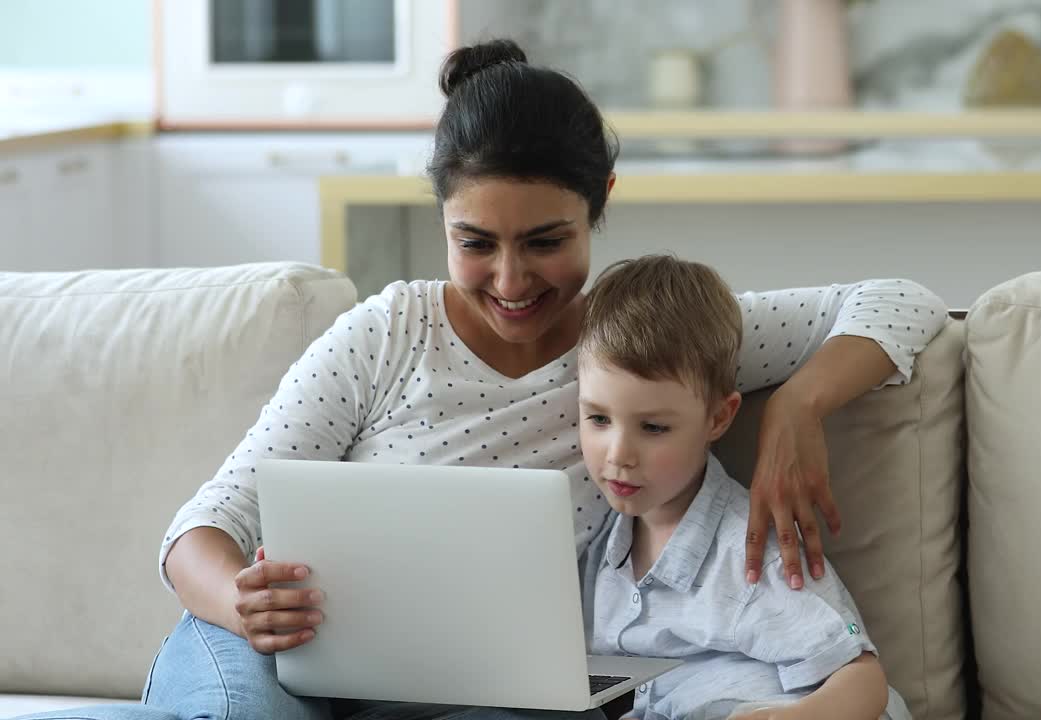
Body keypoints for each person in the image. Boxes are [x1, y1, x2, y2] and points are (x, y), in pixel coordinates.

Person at [15, 39, 946, 720]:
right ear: (442, 221)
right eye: (476, 243)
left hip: (475, 690)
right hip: (271, 659)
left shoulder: (640, 344)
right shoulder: (386, 333)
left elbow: (903, 301)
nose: (512, 283)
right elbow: (202, 528)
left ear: (600, 205)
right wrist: (236, 601)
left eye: (546, 242)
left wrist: (802, 407)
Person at [576, 255, 911, 720]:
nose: (618, 454)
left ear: (718, 418)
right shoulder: (601, 545)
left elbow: (861, 676)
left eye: (653, 428)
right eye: (597, 419)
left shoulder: (752, 555)